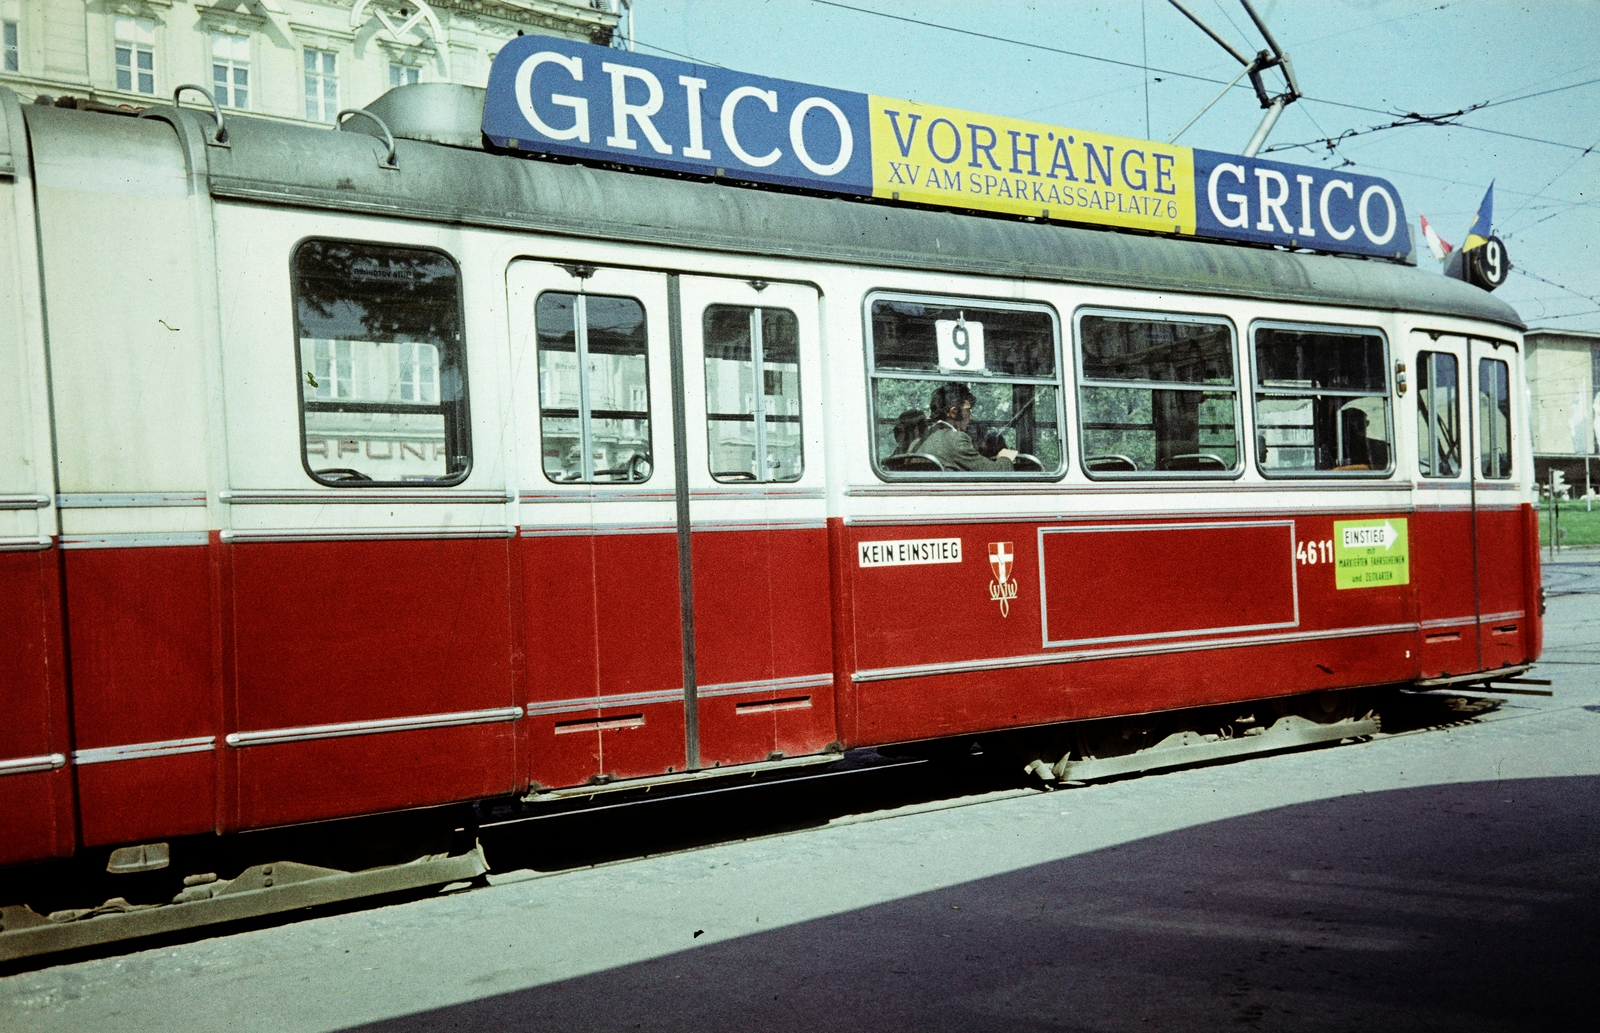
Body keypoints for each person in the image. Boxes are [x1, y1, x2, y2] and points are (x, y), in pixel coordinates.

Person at [918, 382, 1018, 471]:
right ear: (953, 412)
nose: (971, 417)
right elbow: (993, 473)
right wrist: (1005, 458)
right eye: (968, 410)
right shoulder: (956, 440)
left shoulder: (917, 442)